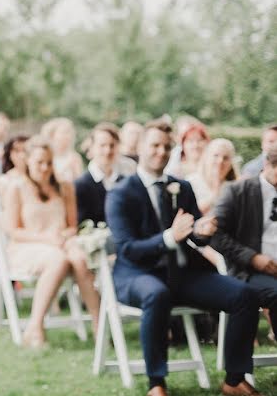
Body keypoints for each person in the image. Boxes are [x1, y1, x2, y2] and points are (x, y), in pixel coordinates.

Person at [105, 120, 261, 396]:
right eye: (155, 145)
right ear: (141, 147)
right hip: (137, 275)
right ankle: (156, 383)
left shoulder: (181, 187)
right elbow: (128, 249)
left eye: (167, 147)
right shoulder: (120, 193)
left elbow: (195, 235)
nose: (161, 152)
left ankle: (235, 379)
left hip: (184, 273)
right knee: (157, 294)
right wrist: (169, 236)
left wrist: (203, 231)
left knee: (244, 295)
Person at [2, 137, 99, 347]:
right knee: (58, 259)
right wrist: (46, 238)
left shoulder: (64, 187)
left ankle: (98, 323)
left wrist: (64, 236)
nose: (45, 167)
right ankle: (35, 327)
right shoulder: (16, 187)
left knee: (80, 258)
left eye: (48, 162)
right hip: (27, 246)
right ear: (27, 161)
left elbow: (72, 225)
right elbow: (13, 231)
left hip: (61, 242)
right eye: (39, 162)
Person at [212, 146, 277, 345]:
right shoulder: (237, 191)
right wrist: (252, 258)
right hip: (249, 271)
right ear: (267, 165)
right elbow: (216, 235)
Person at [74, 123, 126, 226]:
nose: (108, 151)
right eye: (102, 145)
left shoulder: (125, 182)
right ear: (92, 147)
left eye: (112, 145)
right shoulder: (80, 185)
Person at [187, 138, 238, 215]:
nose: (220, 161)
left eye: (226, 158)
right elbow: (191, 213)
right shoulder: (191, 182)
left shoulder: (234, 187)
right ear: (207, 157)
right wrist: (215, 194)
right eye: (216, 155)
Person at [41, 117, 84, 183]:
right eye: (64, 132)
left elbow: (79, 183)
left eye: (69, 132)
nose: (68, 136)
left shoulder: (75, 158)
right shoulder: (45, 155)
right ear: (53, 135)